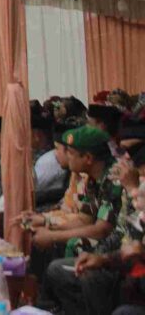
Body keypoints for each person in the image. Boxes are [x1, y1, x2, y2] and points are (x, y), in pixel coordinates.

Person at [35, 126, 128, 314]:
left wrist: (53, 237)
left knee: (67, 249)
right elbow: (85, 219)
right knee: (45, 239)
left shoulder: (113, 179)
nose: (66, 156)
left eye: (70, 153)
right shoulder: (93, 178)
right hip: (106, 239)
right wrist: (48, 226)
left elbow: (102, 229)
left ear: (88, 158)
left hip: (117, 246)